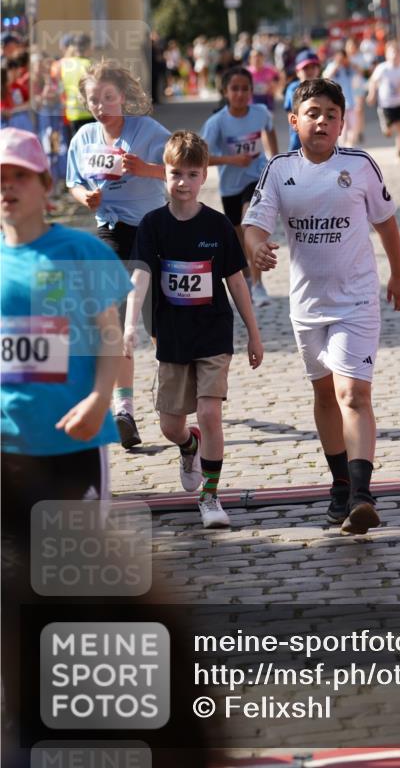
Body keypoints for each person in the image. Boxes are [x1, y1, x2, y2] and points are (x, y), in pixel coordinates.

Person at [1, 127, 132, 761]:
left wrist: (101, 399)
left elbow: (111, 339)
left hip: (75, 448)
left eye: (18, 176)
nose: (6, 187)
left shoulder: (80, 254)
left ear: (44, 186)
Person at [243, 78, 400, 535]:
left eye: (331, 114)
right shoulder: (278, 169)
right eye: (312, 112)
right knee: (323, 396)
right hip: (307, 305)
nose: (322, 121)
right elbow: (253, 225)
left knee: (353, 394)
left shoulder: (359, 165)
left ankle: (362, 493)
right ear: (294, 121)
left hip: (356, 299)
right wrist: (257, 249)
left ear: (342, 122)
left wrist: (398, 273)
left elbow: (387, 223)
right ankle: (340, 486)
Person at [123, 131, 263, 529]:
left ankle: (211, 495)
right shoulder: (152, 226)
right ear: (163, 176)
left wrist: (254, 333)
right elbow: (141, 279)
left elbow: (237, 282)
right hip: (172, 337)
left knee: (209, 411)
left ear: (204, 177)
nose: (182, 182)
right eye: (174, 174)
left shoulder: (218, 226)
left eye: (191, 174)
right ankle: (190, 445)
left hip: (213, 332)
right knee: (170, 425)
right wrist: (130, 326)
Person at [66, 60, 170, 449]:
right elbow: (74, 183)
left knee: (156, 322)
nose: (100, 105)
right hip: (109, 231)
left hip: (151, 231)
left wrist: (145, 169)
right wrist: (85, 197)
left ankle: (169, 392)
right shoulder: (84, 138)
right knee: (113, 320)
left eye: (107, 97)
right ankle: (123, 410)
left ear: (122, 97)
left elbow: (184, 169)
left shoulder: (147, 131)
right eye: (93, 99)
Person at [201, 66, 278, 308]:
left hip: (257, 177)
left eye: (245, 88)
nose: (240, 94)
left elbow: (270, 130)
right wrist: (231, 160)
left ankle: (258, 284)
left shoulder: (260, 112)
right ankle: (247, 281)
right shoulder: (217, 122)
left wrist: (275, 159)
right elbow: (201, 157)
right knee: (239, 239)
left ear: (252, 91)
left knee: (250, 224)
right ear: (225, 91)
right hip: (229, 186)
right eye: (235, 89)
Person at [367, 40, 400, 161]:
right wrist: (372, 94)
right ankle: (386, 126)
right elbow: (373, 81)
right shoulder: (382, 68)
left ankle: (399, 151)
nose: (395, 55)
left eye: (398, 52)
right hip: (386, 105)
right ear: (386, 54)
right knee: (389, 132)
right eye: (392, 52)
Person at [283, 49, 321, 152]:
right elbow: (290, 112)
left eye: (313, 67)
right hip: (299, 136)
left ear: (318, 69)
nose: (310, 71)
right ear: (297, 71)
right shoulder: (293, 88)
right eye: (305, 68)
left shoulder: (324, 88)